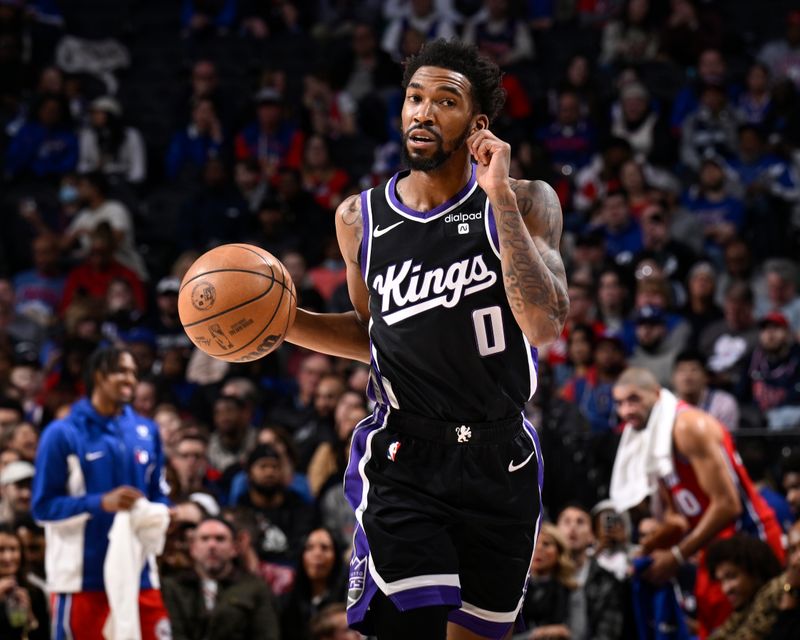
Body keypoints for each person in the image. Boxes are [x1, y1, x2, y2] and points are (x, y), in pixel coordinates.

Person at [285, 38, 569, 639]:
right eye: (415, 97)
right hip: (404, 457)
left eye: (445, 100)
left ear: (477, 124)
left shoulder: (526, 201)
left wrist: (497, 199)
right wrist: (286, 323)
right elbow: (374, 335)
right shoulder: (359, 219)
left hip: (501, 454)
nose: (422, 111)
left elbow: (544, 324)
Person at [610, 367, 785, 638]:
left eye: (634, 399)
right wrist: (648, 548)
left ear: (656, 394)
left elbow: (728, 505)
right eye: (619, 403)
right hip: (714, 548)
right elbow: (677, 515)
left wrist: (677, 556)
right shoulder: (654, 437)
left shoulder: (688, 426)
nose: (626, 411)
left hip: (750, 540)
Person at [31, 346, 171, 640]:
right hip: (82, 580)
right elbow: (43, 507)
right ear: (98, 376)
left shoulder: (147, 431)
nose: (130, 379)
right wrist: (100, 503)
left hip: (140, 575)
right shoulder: (62, 433)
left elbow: (159, 493)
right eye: (121, 371)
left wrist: (160, 512)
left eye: (133, 372)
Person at [161, 517, 280, 640]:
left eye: (220, 539)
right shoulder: (172, 587)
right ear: (193, 548)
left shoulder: (255, 588)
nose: (212, 545)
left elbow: (266, 634)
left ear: (234, 548)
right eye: (204, 539)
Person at [706, 534, 783, 640]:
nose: (725, 589)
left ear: (754, 571)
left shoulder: (777, 593)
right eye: (721, 581)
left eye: (731, 576)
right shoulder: (744, 609)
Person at [0, 523, 49, 640]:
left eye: (13, 549)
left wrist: (31, 618)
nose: (8, 557)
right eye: (1, 550)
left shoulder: (34, 590)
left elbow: (44, 635)